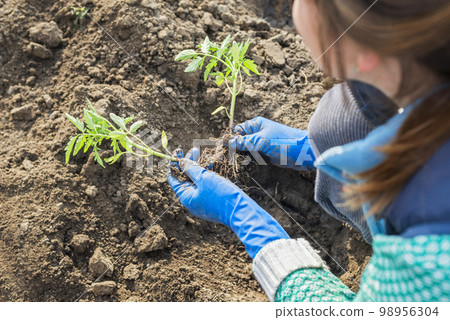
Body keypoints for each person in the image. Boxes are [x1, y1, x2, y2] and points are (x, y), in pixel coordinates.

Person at [167, 0, 450, 302]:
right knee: (342, 122)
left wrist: (244, 219)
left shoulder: (433, 258)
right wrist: (313, 150)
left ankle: (389, 246)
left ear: (359, 45)